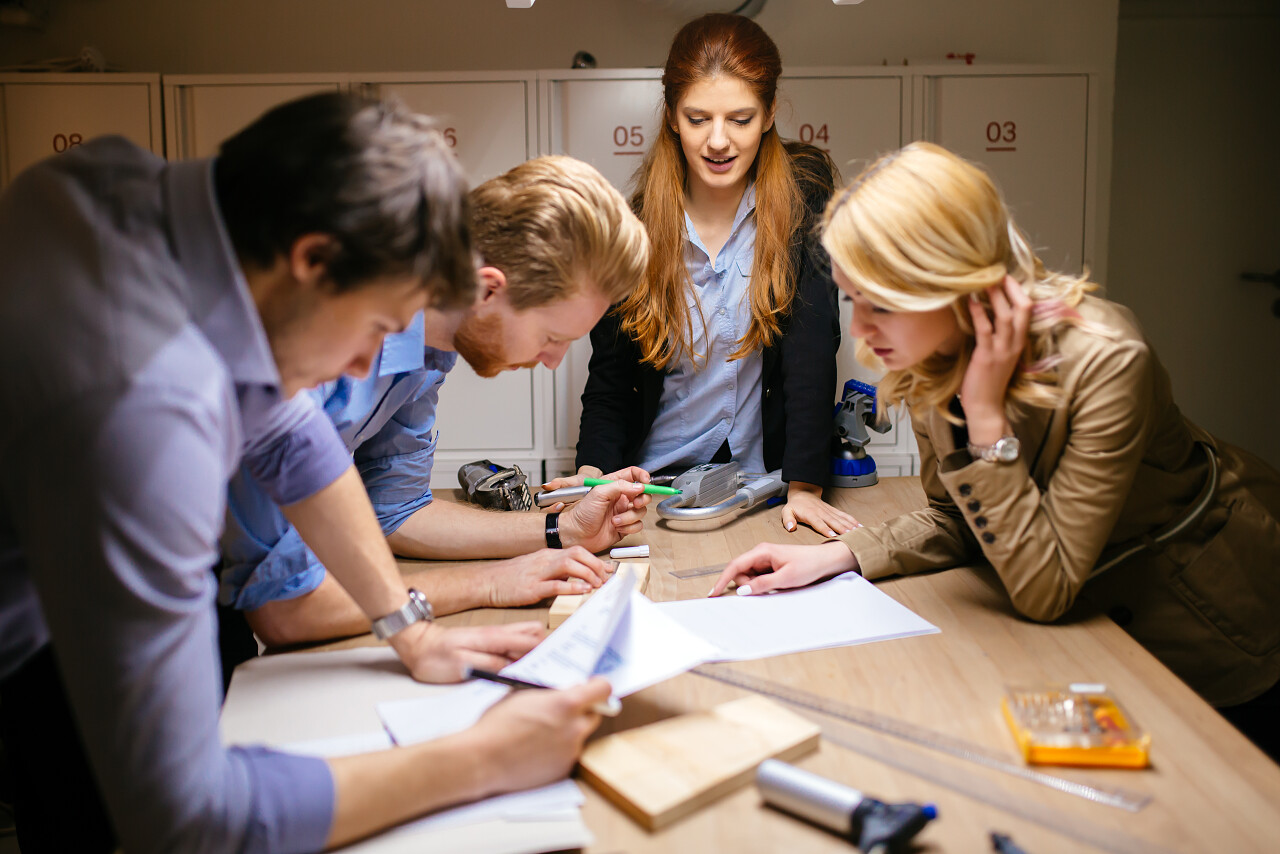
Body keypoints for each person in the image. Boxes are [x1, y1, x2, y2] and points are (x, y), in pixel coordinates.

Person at [0, 92, 610, 854]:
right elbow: (186, 817)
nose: (364, 369)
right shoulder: (151, 411)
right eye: (377, 329)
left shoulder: (115, 185)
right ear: (313, 259)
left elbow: (289, 435)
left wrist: (409, 631)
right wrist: (483, 757)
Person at [710, 141, 1280, 758]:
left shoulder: (1108, 360)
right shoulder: (932, 350)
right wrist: (839, 557)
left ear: (951, 282)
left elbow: (1045, 588)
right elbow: (960, 518)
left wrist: (983, 417)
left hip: (1205, 620)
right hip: (1091, 631)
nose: (862, 332)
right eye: (855, 301)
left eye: (882, 305)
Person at [221, 155, 653, 648]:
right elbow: (285, 610)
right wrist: (489, 584)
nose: (552, 361)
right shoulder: (315, 334)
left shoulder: (430, 341)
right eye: (551, 336)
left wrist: (564, 529)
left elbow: (397, 513)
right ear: (489, 290)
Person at [561, 13, 853, 537]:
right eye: (698, 119)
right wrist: (592, 475)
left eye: (739, 119)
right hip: (654, 488)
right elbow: (610, 380)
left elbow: (812, 351)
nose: (718, 141)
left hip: (762, 487)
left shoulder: (804, 199)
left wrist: (805, 486)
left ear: (768, 114)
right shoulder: (636, 225)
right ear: (672, 116)